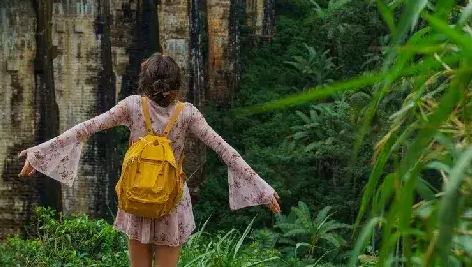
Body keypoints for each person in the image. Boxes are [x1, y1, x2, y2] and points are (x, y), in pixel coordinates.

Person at [17, 52, 280, 267]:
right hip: (171, 202)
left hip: (137, 197)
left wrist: (38, 153)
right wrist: (262, 190)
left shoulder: (132, 106)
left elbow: (86, 128)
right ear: (176, 84)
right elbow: (225, 151)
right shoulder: (187, 114)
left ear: (146, 82)